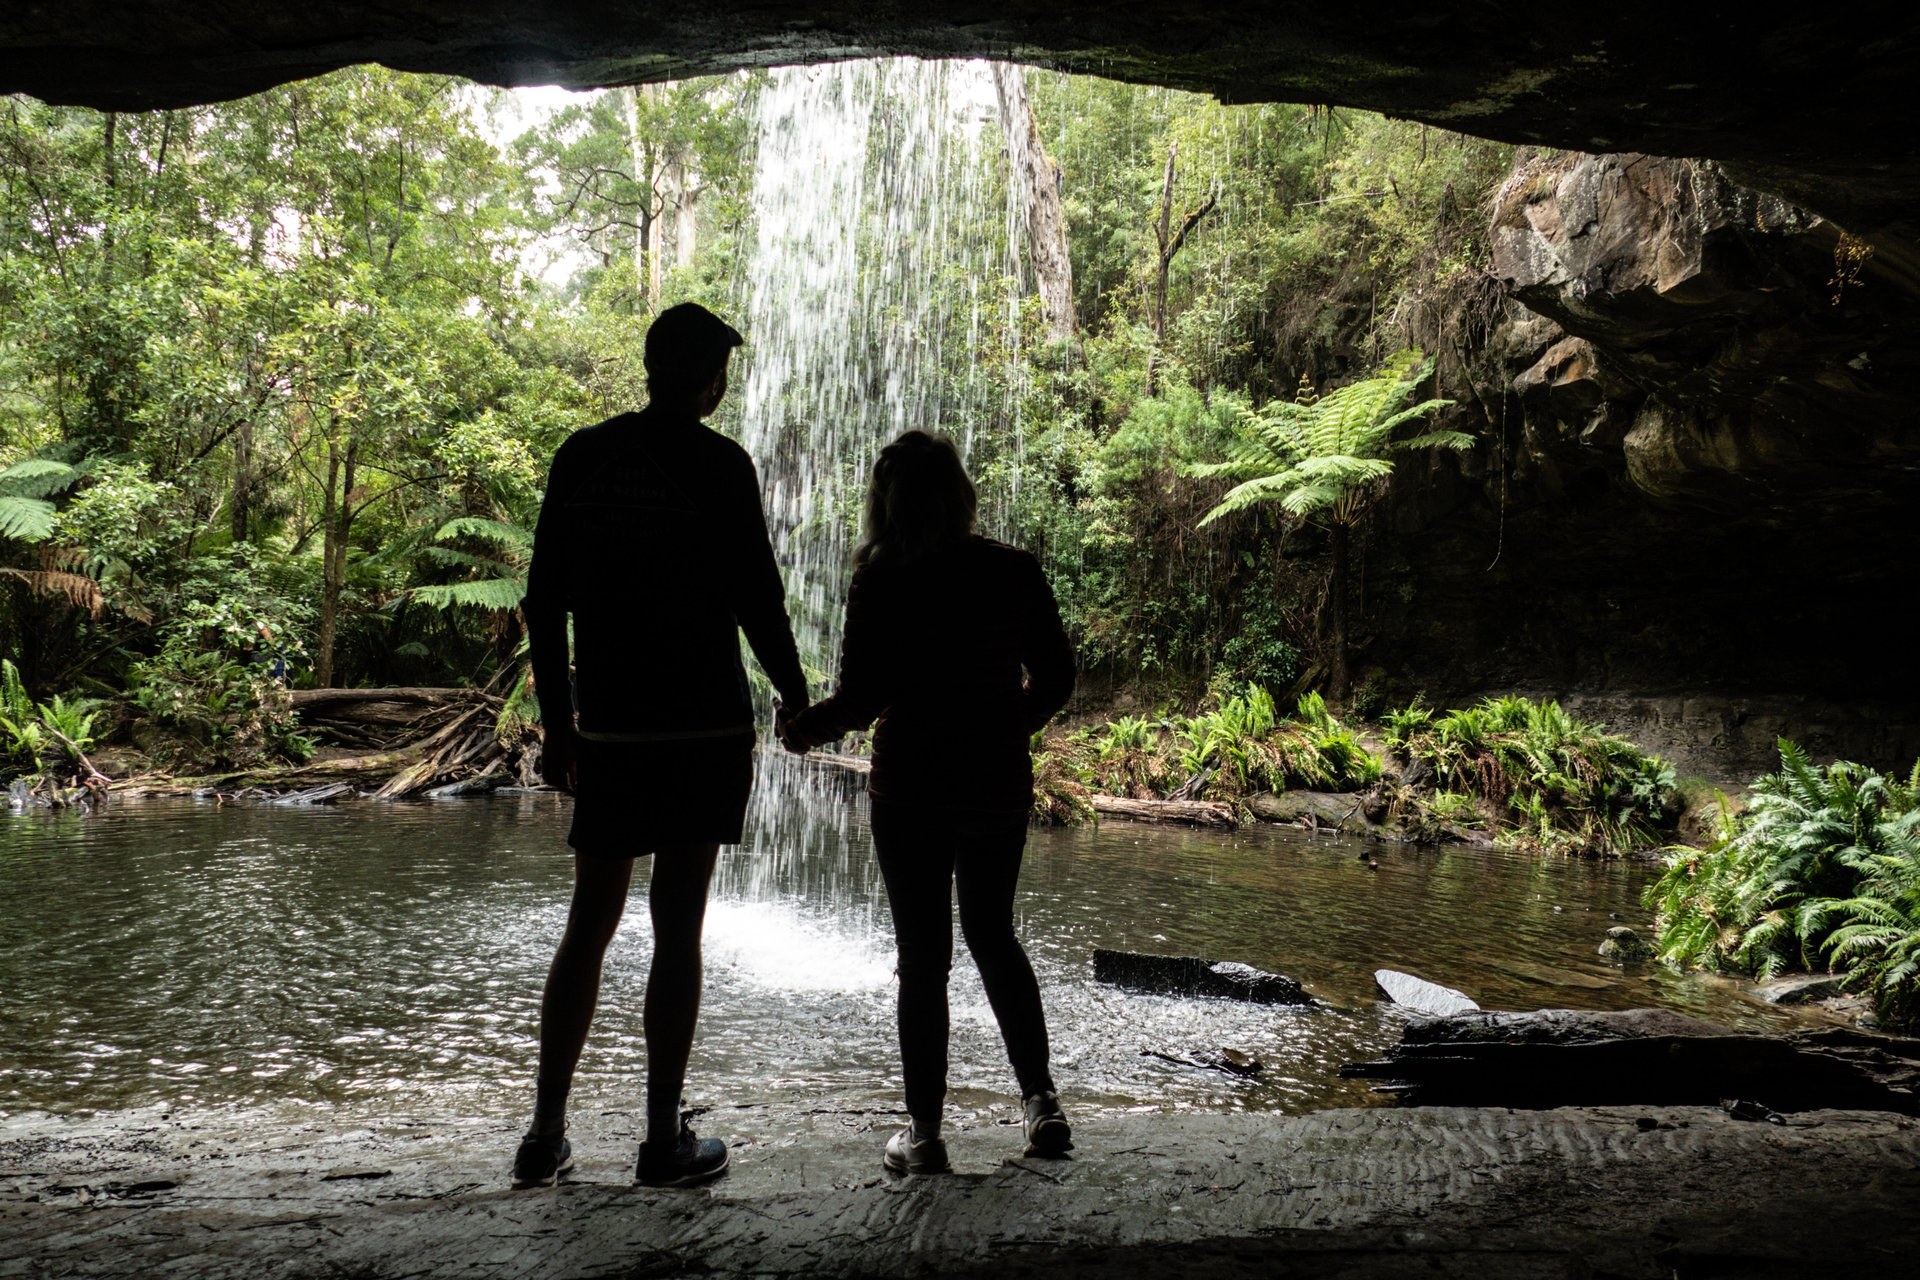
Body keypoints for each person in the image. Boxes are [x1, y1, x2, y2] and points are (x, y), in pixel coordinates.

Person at [512, 302, 810, 1190]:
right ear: (710, 380)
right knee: (678, 928)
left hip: (609, 725)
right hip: (706, 726)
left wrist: (559, 723)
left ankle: (543, 1132)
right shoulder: (722, 465)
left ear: (649, 367)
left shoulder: (584, 457)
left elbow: (543, 601)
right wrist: (796, 697)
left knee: (588, 925)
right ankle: (658, 1141)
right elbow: (759, 599)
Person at [777, 430, 1074, 1175]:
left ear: (885, 500)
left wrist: (808, 728)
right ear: (961, 493)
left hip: (910, 783)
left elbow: (864, 695)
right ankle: (1041, 1105)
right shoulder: (1013, 570)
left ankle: (926, 1133)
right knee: (993, 934)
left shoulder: (881, 576)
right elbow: (1060, 676)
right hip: (994, 781)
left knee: (923, 959)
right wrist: (1008, 726)